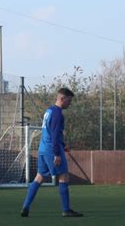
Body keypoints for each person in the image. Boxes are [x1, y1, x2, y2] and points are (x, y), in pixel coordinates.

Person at [20, 87, 82, 218]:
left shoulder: (49, 110)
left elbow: (51, 131)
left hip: (42, 149)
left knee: (39, 177)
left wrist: (63, 145)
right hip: (51, 149)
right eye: (69, 101)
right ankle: (66, 209)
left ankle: (26, 206)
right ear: (62, 99)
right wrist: (57, 153)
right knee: (64, 176)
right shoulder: (58, 113)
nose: (70, 103)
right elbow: (54, 134)